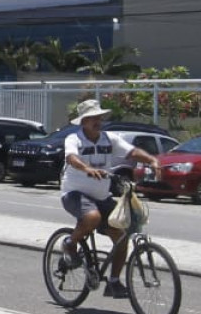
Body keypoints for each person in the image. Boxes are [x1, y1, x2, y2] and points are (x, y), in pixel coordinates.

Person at [56, 98, 160, 299]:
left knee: (122, 234)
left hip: (102, 196)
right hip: (74, 194)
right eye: (91, 118)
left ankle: (113, 282)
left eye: (99, 117)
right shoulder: (74, 139)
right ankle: (70, 243)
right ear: (83, 122)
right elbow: (71, 157)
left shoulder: (109, 138)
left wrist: (152, 160)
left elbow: (132, 152)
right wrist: (87, 168)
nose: (97, 121)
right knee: (92, 217)